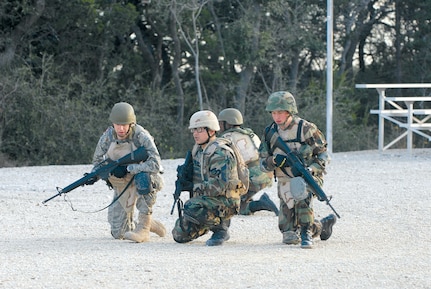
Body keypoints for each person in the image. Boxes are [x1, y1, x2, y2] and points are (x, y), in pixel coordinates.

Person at [258, 91, 336, 249]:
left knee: (300, 190)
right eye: (274, 112)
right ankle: (320, 226)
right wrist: (273, 161)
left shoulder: (305, 129)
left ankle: (307, 231)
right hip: (284, 180)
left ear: (289, 111)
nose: (277, 116)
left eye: (280, 112)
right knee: (289, 236)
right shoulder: (270, 133)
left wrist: (311, 169)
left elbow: (323, 154)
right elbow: (262, 164)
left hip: (308, 177)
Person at [91, 102, 166, 243]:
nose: (121, 128)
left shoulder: (141, 136)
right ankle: (151, 224)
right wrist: (94, 175)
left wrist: (129, 169)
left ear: (131, 123)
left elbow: (156, 163)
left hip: (143, 178)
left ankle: (144, 226)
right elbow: (97, 161)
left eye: (124, 124)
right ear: (112, 123)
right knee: (119, 232)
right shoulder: (108, 137)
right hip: (123, 183)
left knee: (144, 178)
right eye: (117, 124)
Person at [172, 110, 244, 246]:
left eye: (199, 130)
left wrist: (194, 186)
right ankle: (207, 223)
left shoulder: (220, 153)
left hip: (226, 201)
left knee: (191, 206)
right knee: (179, 235)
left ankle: (221, 228)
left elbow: (219, 186)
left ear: (211, 131)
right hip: (208, 200)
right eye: (193, 130)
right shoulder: (199, 150)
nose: (195, 134)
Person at [218, 108, 279, 216]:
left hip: (252, 178)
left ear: (227, 123)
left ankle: (261, 204)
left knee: (234, 208)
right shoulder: (250, 133)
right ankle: (249, 199)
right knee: (240, 197)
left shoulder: (226, 138)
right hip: (266, 173)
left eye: (221, 123)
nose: (219, 127)